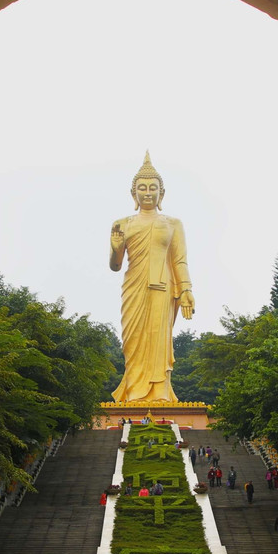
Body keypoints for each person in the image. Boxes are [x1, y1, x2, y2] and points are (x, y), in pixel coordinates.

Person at [109, 153, 195, 403]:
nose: (147, 192)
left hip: (162, 288)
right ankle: (134, 392)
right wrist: (116, 247)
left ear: (162, 193)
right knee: (133, 340)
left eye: (153, 188)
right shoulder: (122, 224)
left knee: (159, 339)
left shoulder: (173, 224)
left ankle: (159, 391)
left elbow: (179, 260)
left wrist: (187, 289)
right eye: (142, 188)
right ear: (133, 193)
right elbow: (115, 266)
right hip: (133, 286)